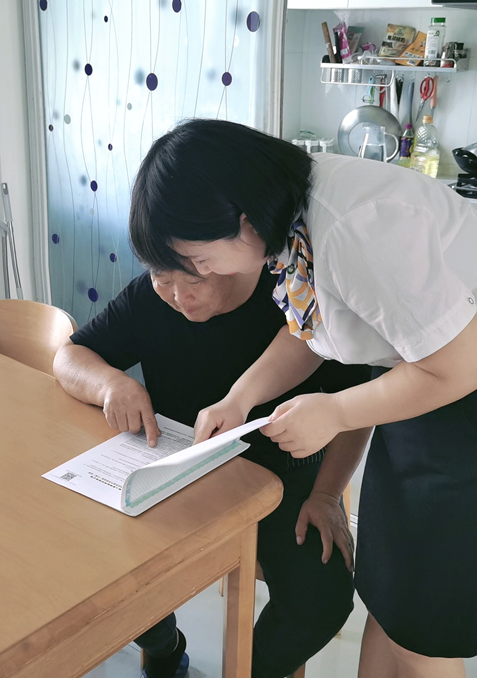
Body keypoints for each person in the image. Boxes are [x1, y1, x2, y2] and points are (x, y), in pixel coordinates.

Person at [127, 119, 477, 678]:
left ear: (239, 221)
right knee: (391, 600)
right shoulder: (288, 216)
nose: (198, 275)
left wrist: (336, 412)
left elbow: (465, 365)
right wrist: (241, 398)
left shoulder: (353, 227)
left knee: (424, 632)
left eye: (196, 260)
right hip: (419, 385)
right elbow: (312, 326)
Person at [53, 263, 371, 678]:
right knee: (96, 558)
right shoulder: (148, 296)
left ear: (228, 255)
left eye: (194, 280)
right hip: (174, 470)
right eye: (162, 278)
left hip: (283, 477)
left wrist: (327, 494)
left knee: (321, 600)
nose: (179, 297)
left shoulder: (289, 297)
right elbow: (69, 356)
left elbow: (355, 405)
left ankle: (252, 671)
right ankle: (166, 648)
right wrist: (111, 383)